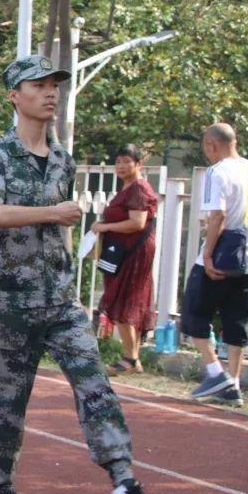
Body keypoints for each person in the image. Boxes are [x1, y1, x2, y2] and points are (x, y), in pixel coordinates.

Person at [0, 54, 173, 494]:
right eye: (38, 85)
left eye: (55, 84)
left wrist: (56, 217)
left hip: (59, 296)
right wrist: (50, 211)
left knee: (95, 384)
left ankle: (124, 485)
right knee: (7, 405)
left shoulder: (62, 159)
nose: (50, 92)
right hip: (10, 301)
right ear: (15, 95)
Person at [183, 123, 248, 408]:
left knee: (194, 313)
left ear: (211, 145)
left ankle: (216, 374)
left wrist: (207, 256)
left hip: (218, 260)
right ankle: (234, 384)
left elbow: (217, 215)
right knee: (236, 323)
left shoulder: (217, 172)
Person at [91, 144, 158, 375]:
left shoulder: (139, 188)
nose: (120, 166)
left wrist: (105, 226)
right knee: (124, 298)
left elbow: (137, 223)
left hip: (133, 252)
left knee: (125, 298)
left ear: (139, 164)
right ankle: (132, 357)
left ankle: (130, 358)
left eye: (126, 161)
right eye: (117, 161)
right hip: (121, 249)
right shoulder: (128, 187)